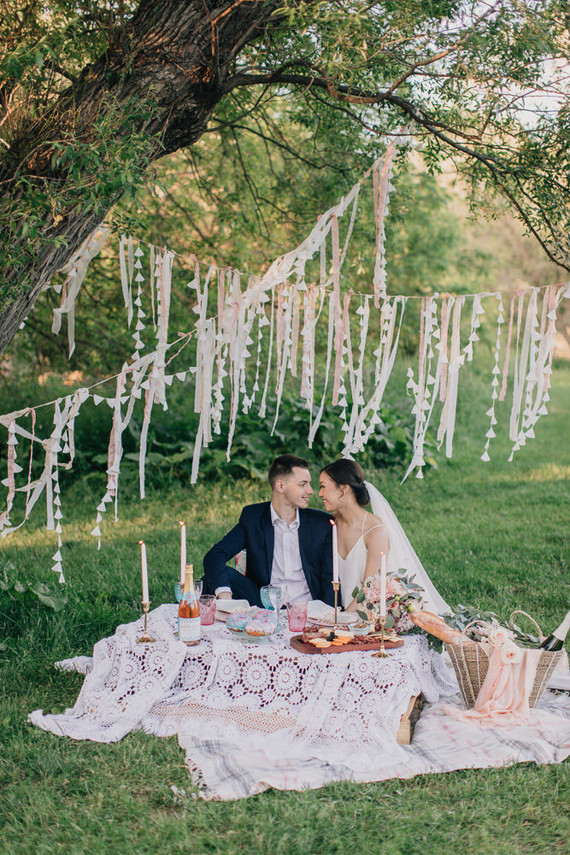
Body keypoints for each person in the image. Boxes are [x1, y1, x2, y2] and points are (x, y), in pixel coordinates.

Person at [203, 454, 335, 608]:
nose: (311, 491)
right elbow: (216, 555)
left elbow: (329, 577)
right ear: (281, 486)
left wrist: (328, 614)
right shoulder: (253, 517)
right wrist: (225, 596)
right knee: (213, 578)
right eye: (303, 484)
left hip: (307, 607)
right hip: (264, 604)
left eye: (309, 484)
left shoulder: (321, 523)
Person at [319, 459, 449, 615]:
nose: (320, 494)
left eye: (323, 487)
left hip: (371, 612)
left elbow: (369, 588)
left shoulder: (375, 531)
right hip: (338, 610)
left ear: (344, 488)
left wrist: (343, 618)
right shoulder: (331, 524)